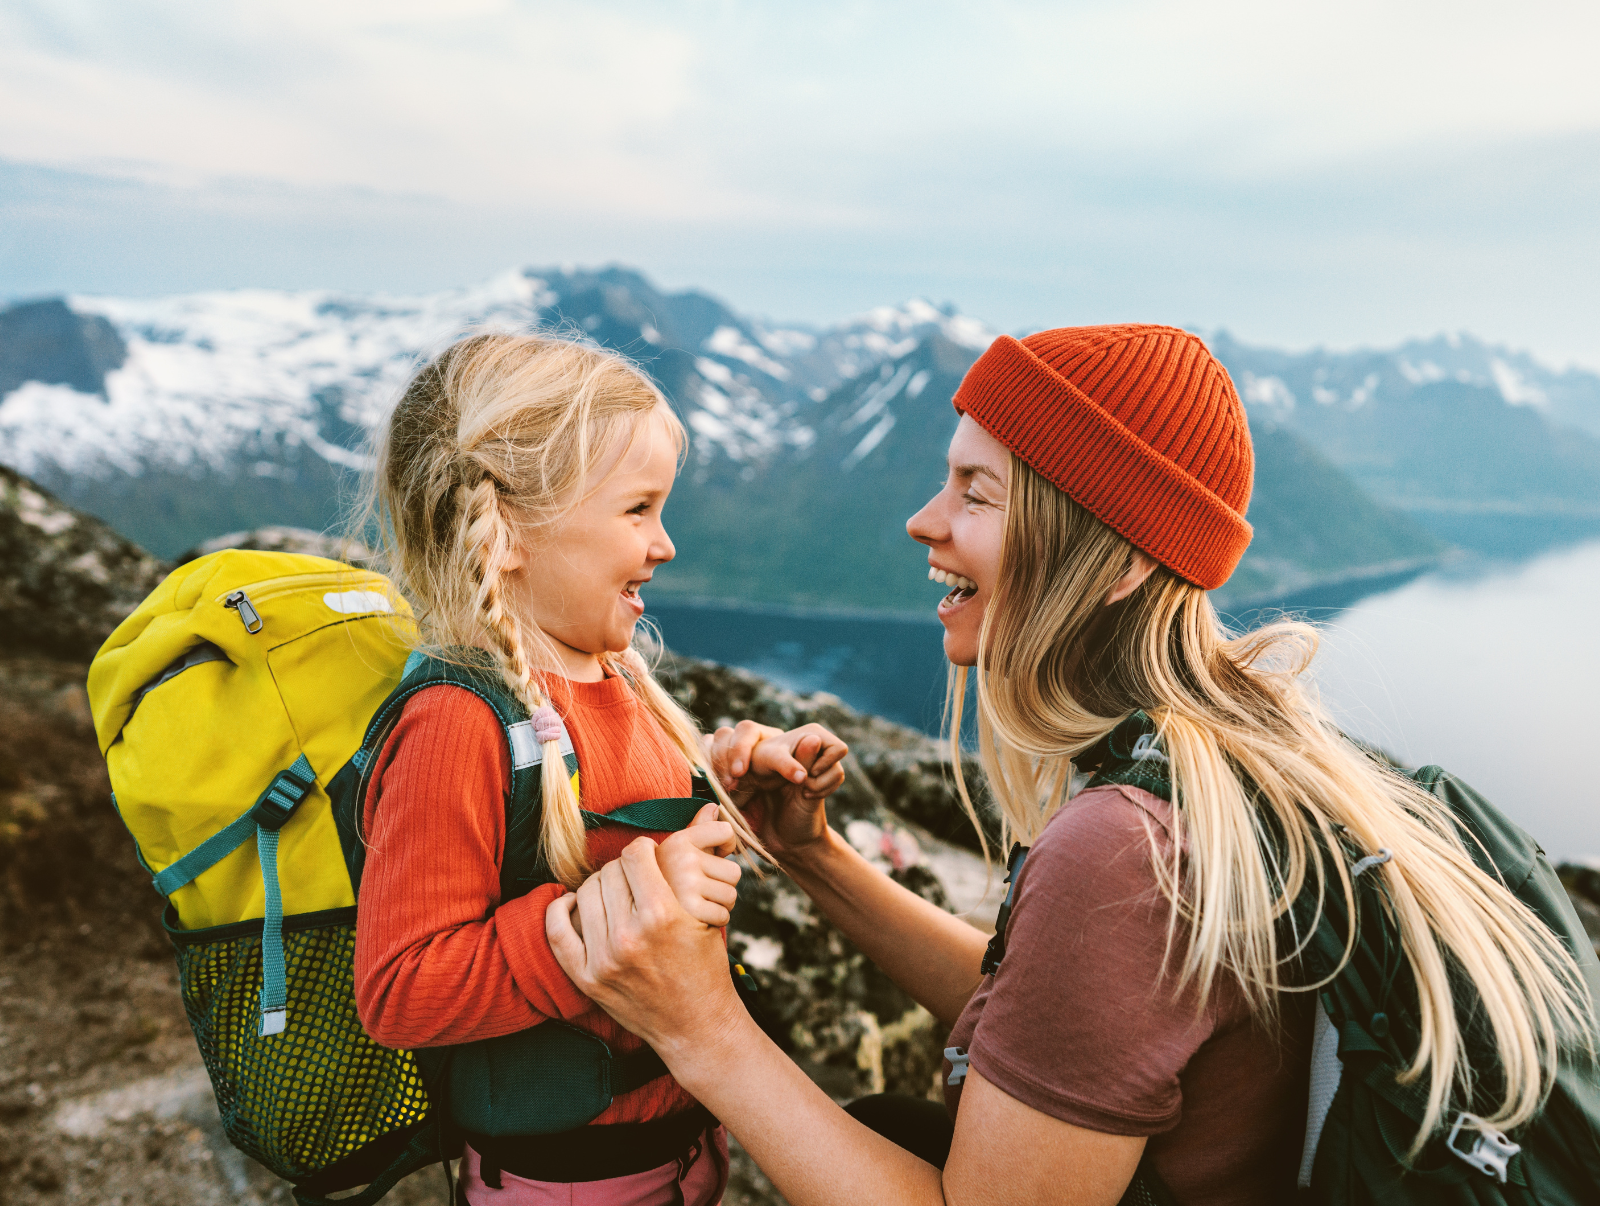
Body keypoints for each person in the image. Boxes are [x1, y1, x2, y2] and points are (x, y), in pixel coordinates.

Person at [544, 324, 1596, 1205]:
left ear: (1116, 557)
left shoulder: (1126, 850)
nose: (924, 520)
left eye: (976, 493)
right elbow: (1057, 1019)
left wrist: (699, 1025)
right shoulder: (1238, 745)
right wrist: (814, 859)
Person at [351, 332, 849, 1205]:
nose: (663, 545)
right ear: (506, 531)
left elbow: (607, 823)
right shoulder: (457, 723)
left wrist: (727, 785)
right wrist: (602, 916)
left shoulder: (618, 675)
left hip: (685, 1145)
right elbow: (400, 991)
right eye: (637, 510)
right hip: (570, 1185)